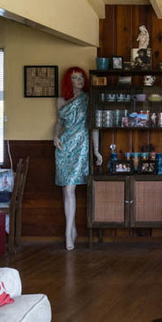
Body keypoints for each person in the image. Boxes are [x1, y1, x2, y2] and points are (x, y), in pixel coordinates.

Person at [54, 67, 101, 250]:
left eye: (81, 77)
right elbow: (58, 123)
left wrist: (96, 150)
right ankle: (72, 228)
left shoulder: (88, 99)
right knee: (66, 190)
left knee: (70, 187)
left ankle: (68, 235)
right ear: (69, 81)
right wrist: (55, 136)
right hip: (63, 146)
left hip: (81, 145)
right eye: (75, 78)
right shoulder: (60, 100)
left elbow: (94, 125)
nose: (79, 80)